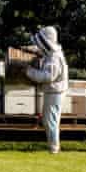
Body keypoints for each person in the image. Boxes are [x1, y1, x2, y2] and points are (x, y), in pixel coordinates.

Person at [25, 26, 68, 154]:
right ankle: (53, 147)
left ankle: (54, 148)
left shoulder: (54, 57)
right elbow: (40, 51)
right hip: (53, 91)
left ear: (46, 41)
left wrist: (29, 71)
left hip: (55, 92)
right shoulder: (51, 54)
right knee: (49, 120)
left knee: (51, 121)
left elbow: (48, 76)